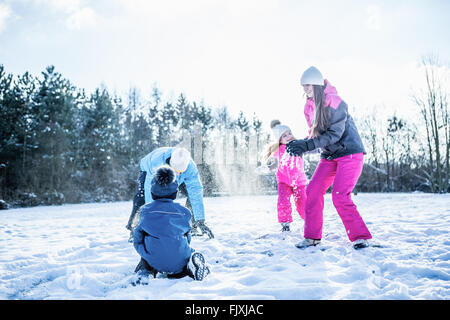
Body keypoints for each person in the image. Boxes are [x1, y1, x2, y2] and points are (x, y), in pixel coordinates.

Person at [286, 66, 372, 250]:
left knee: (340, 195)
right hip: (329, 155)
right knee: (313, 191)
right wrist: (300, 145)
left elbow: (334, 134)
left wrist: (309, 144)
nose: (305, 89)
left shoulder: (335, 101)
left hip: (349, 152)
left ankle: (360, 237)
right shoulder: (308, 107)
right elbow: (316, 136)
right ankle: (312, 238)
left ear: (317, 84)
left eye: (308, 85)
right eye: (303, 86)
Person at [133, 165, 210, 281]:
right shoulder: (185, 212)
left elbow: (138, 235)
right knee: (184, 258)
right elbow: (187, 236)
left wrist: (142, 251)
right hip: (179, 258)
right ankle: (190, 268)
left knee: (148, 250)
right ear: (175, 191)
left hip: (154, 259)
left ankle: (145, 271)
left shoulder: (144, 211)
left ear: (152, 191)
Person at [126, 147, 214, 239]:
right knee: (141, 197)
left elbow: (195, 192)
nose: (178, 174)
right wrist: (152, 221)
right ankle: (135, 229)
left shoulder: (190, 167)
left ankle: (193, 225)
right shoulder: (156, 164)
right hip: (147, 169)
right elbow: (150, 192)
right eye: (176, 171)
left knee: (191, 195)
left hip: (175, 172)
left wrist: (200, 220)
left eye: (181, 172)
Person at [265, 120, 307, 232]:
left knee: (302, 203)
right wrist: (269, 168)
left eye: (289, 133)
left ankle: (308, 220)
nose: (288, 136)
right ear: (279, 140)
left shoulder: (298, 145)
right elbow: (275, 163)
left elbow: (309, 146)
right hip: (283, 181)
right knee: (283, 201)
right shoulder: (278, 150)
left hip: (299, 182)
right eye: (284, 135)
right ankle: (285, 224)